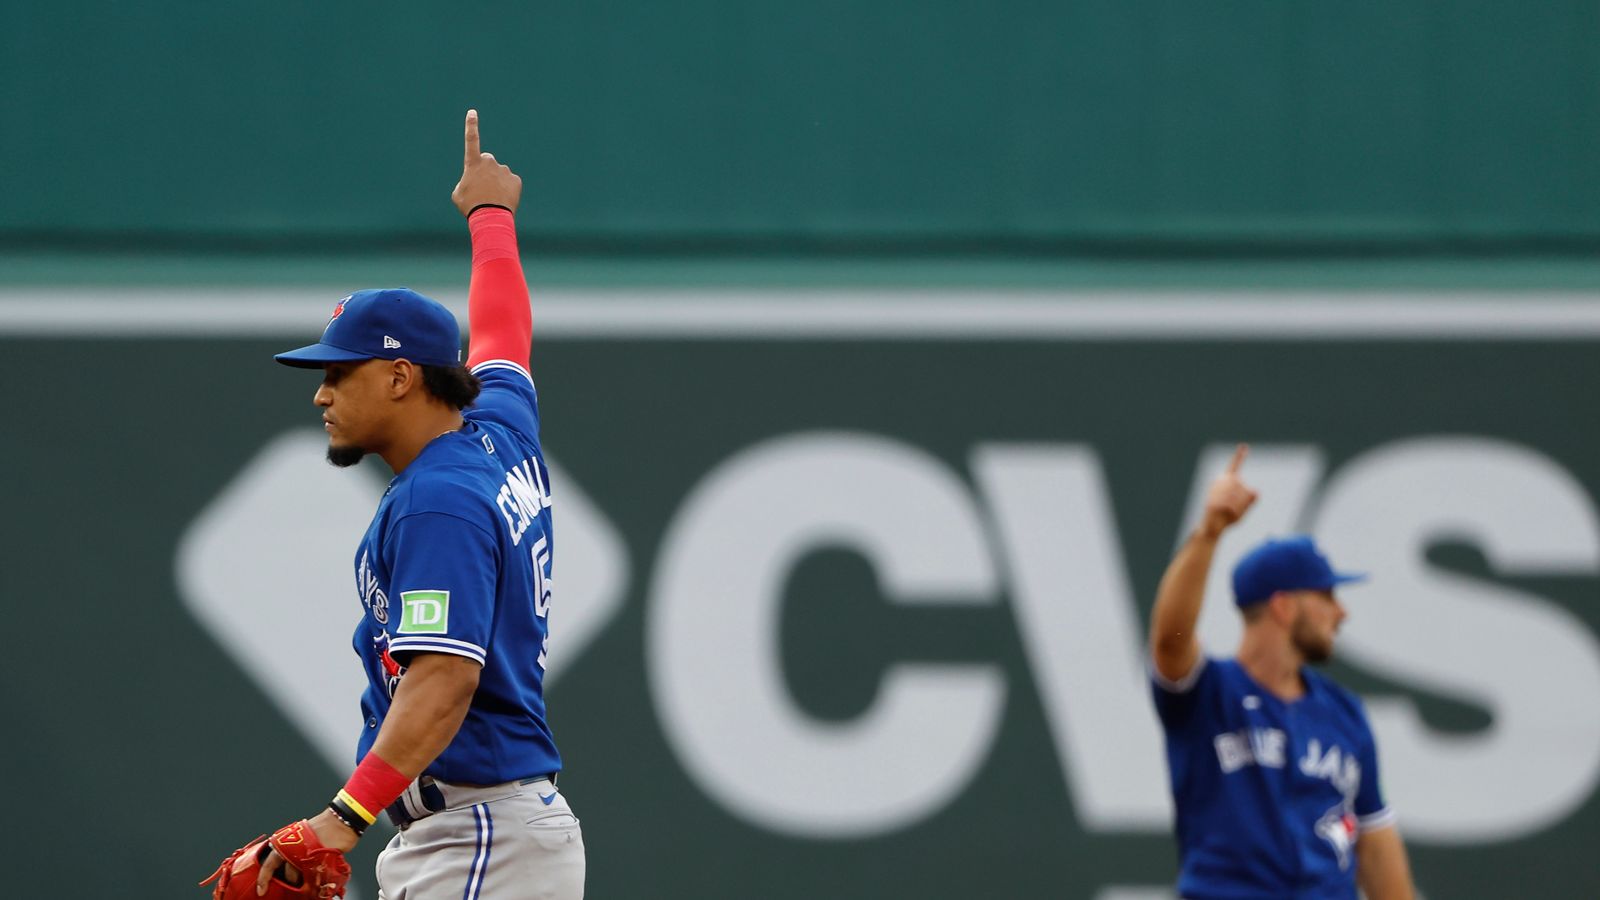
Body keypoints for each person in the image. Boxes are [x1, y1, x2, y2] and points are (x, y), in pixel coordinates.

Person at [254, 109, 584, 899]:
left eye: (341, 374)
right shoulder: (498, 424)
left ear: (401, 378)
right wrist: (491, 217)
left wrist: (339, 820)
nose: (323, 395)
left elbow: (441, 682)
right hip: (486, 832)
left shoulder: (438, 500)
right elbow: (502, 327)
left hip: (478, 836)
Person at [1148, 444, 1414, 900]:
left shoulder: (1344, 714)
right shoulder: (1210, 694)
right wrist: (1209, 532)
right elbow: (1169, 640)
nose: (1341, 612)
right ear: (1284, 605)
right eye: (1326, 596)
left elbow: (1376, 846)